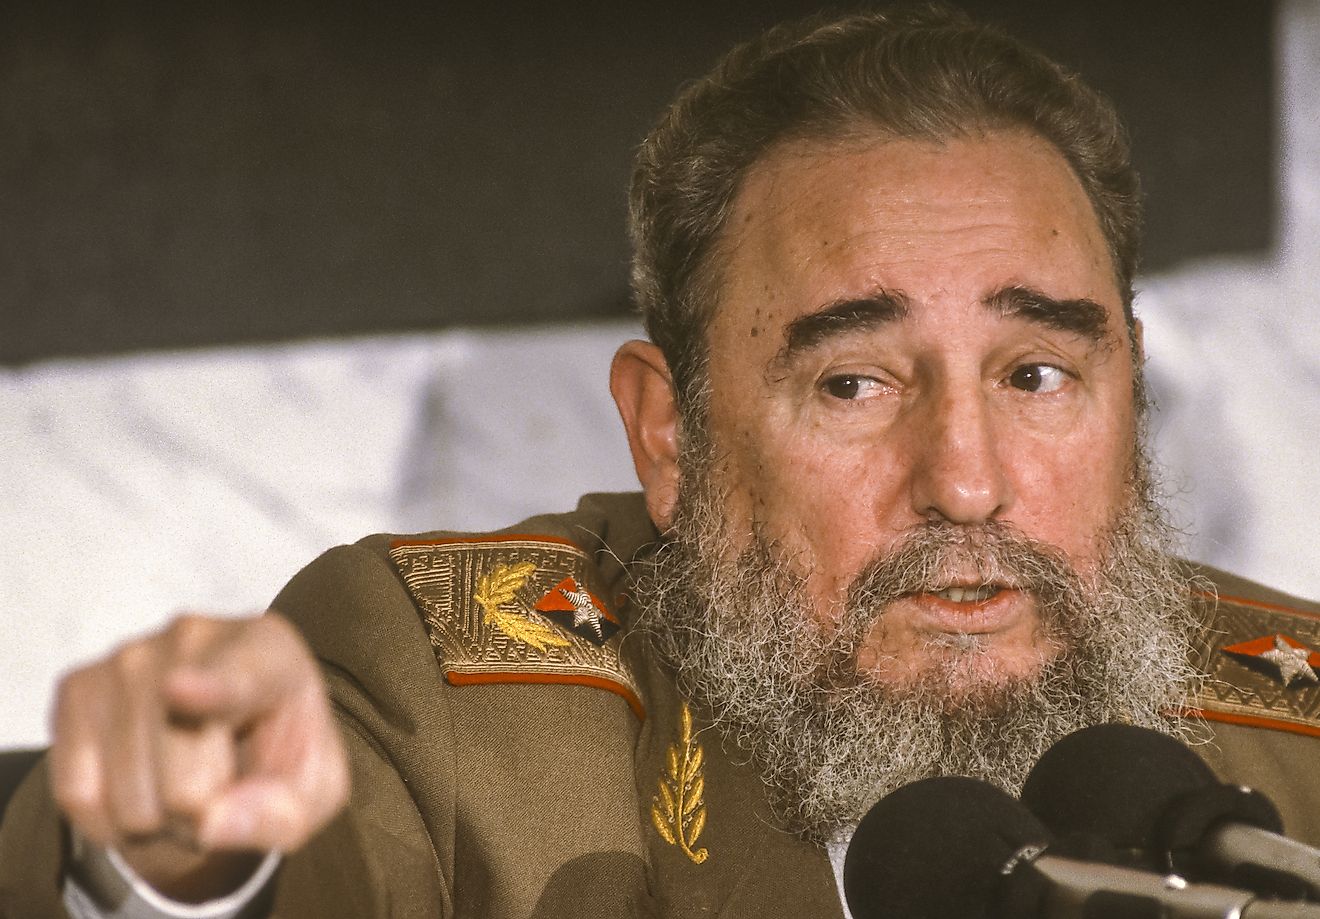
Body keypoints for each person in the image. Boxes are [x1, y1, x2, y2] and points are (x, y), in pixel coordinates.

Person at [3, 6, 1319, 918]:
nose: (967, 481)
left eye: (1037, 376)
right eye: (853, 383)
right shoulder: (451, 711)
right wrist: (174, 872)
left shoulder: (1297, 738)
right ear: (670, 437)